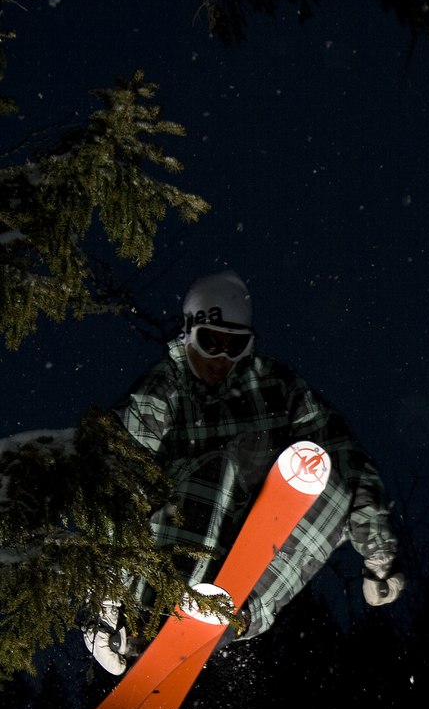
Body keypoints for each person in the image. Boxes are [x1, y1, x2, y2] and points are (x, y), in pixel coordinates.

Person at [82, 269, 404, 674]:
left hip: (240, 554)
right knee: (221, 468)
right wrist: (102, 604)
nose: (221, 359)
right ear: (188, 331)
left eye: (234, 347)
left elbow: (346, 455)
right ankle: (154, 618)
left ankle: (233, 619)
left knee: (329, 484)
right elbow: (115, 485)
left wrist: (379, 555)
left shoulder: (276, 386)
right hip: (169, 549)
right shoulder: (160, 392)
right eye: (210, 343)